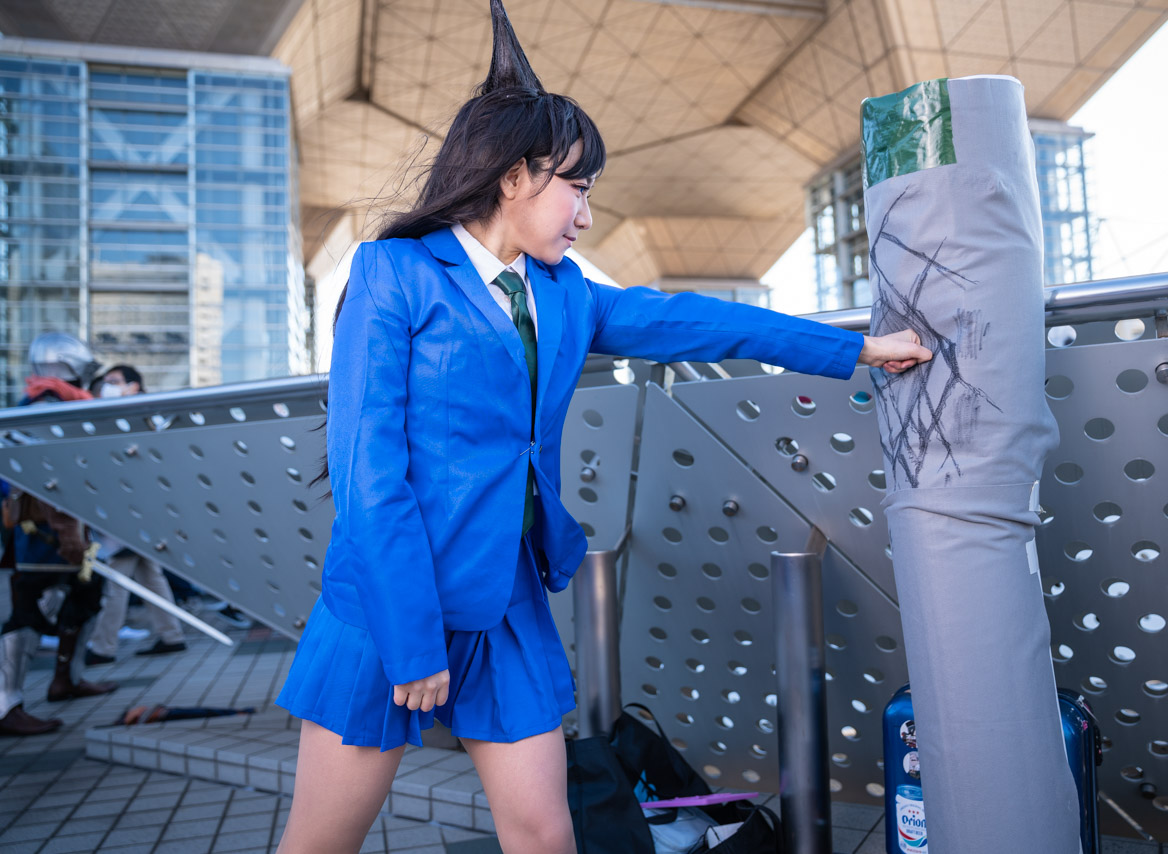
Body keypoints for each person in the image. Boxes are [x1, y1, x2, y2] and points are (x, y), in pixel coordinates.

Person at [273, 3, 931, 851]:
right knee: (320, 844)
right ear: (515, 176)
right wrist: (410, 639)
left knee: (548, 836)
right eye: (577, 190)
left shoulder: (565, 293)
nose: (585, 216)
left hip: (506, 601)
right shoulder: (394, 272)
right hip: (389, 601)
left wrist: (856, 348)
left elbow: (694, 321)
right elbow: (370, 476)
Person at [1, 333, 117, 737]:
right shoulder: (39, 408)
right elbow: (19, 474)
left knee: (87, 594)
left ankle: (66, 678)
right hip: (39, 533)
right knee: (30, 612)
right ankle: (6, 704)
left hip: (74, 528)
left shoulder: (68, 404)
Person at [84, 365, 187, 664]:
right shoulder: (133, 416)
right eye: (106, 382)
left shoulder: (138, 418)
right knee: (150, 576)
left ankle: (102, 647)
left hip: (130, 515)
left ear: (134, 386)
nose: (107, 386)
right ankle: (171, 635)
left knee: (117, 581)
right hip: (141, 514)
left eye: (114, 381)